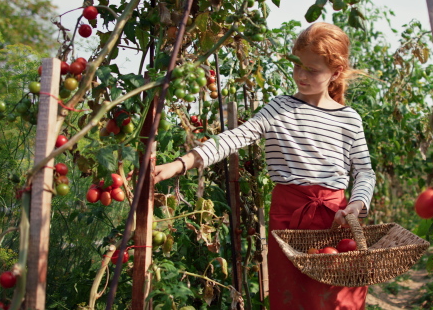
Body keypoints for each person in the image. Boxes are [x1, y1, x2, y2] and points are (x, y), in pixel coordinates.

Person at [154, 22, 376, 309]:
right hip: (289, 221)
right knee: (293, 299)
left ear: (335, 72)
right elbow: (233, 138)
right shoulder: (279, 108)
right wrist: (181, 163)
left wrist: (357, 205)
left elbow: (364, 171)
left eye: (312, 69)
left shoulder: (348, 118)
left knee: (337, 299)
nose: (301, 75)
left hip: (336, 220)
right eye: (297, 66)